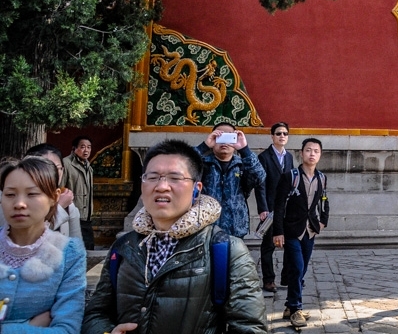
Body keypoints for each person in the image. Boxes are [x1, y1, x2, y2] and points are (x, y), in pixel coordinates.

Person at [82, 139, 267, 334]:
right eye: (152, 177)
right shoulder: (123, 247)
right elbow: (96, 313)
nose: (162, 186)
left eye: (175, 178)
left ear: (197, 188)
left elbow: (250, 328)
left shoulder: (227, 250)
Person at [0, 156, 87, 332]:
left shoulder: (69, 253)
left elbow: (67, 329)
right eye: (10, 194)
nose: (19, 204)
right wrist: (29, 327)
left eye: (32, 194)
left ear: (54, 197)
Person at [273, 137, 329, 329]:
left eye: (316, 151)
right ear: (301, 153)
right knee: (296, 268)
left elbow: (324, 201)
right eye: (308, 150)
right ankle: (296, 309)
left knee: (302, 269)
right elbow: (279, 206)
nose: (312, 154)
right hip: (291, 230)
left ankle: (290, 306)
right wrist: (278, 232)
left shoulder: (322, 178)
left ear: (320, 155)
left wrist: (323, 221)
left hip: (310, 230)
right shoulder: (290, 176)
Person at [196, 122, 266, 238]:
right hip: (205, 229)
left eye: (229, 136)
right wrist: (204, 146)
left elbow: (259, 177)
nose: (224, 142)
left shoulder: (242, 165)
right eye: (220, 136)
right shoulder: (202, 164)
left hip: (235, 231)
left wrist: (245, 150)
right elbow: (181, 164)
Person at [255, 121, 295, 292]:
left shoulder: (289, 157)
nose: (282, 136)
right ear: (272, 136)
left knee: (290, 244)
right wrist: (263, 208)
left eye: (285, 133)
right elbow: (260, 185)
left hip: (286, 208)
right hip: (270, 209)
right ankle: (268, 280)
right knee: (268, 245)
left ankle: (286, 278)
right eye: (278, 133)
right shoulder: (264, 157)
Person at [24, 143, 82, 240]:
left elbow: (76, 242)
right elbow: (28, 237)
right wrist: (60, 207)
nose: (53, 173)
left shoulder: (68, 203)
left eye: (57, 168)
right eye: (45, 168)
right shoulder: (18, 200)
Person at [63, 135, 95, 250]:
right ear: (74, 148)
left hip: (86, 216)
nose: (86, 150)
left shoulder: (88, 167)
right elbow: (61, 188)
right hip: (72, 215)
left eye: (89, 147)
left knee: (88, 248)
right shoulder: (66, 164)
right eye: (82, 147)